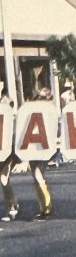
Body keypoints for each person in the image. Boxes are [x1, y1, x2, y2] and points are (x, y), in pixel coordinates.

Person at [29, 87, 54, 221]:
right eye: (38, 97)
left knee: (38, 175)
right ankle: (42, 208)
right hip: (31, 146)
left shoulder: (51, 111)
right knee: (35, 177)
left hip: (43, 147)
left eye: (43, 97)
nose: (39, 100)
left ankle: (47, 207)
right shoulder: (31, 109)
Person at [0, 87, 20, 221]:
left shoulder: (15, 117)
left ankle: (12, 208)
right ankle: (13, 204)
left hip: (9, 152)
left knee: (4, 179)